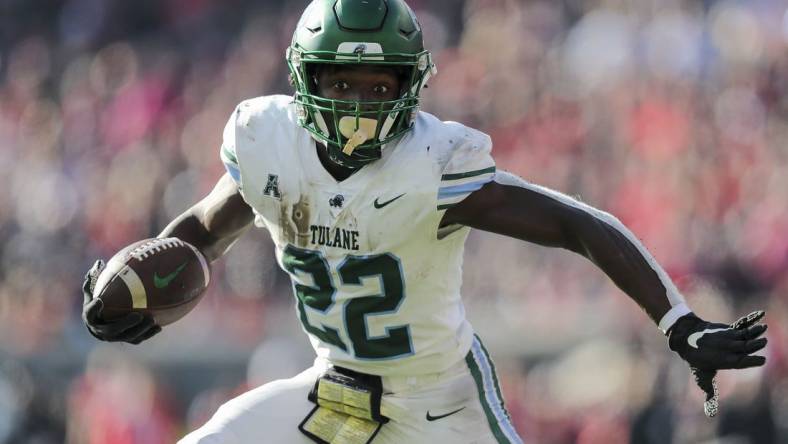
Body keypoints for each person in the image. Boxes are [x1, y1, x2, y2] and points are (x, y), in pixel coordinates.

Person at [80, 1, 768, 443]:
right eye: (340, 84)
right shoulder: (269, 144)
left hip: (441, 402)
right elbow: (203, 232)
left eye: (377, 88)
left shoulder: (431, 164)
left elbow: (574, 224)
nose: (356, 106)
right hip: (335, 386)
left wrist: (676, 321)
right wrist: (135, 289)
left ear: (409, 87)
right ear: (303, 81)